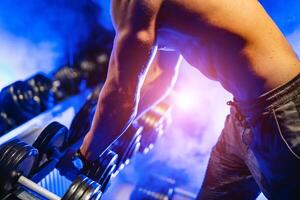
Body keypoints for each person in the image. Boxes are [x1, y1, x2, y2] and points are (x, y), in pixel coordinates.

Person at [78, 0, 300, 199]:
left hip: (284, 110)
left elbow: (121, 96)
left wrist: (83, 156)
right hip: (244, 113)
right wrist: (102, 137)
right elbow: (159, 78)